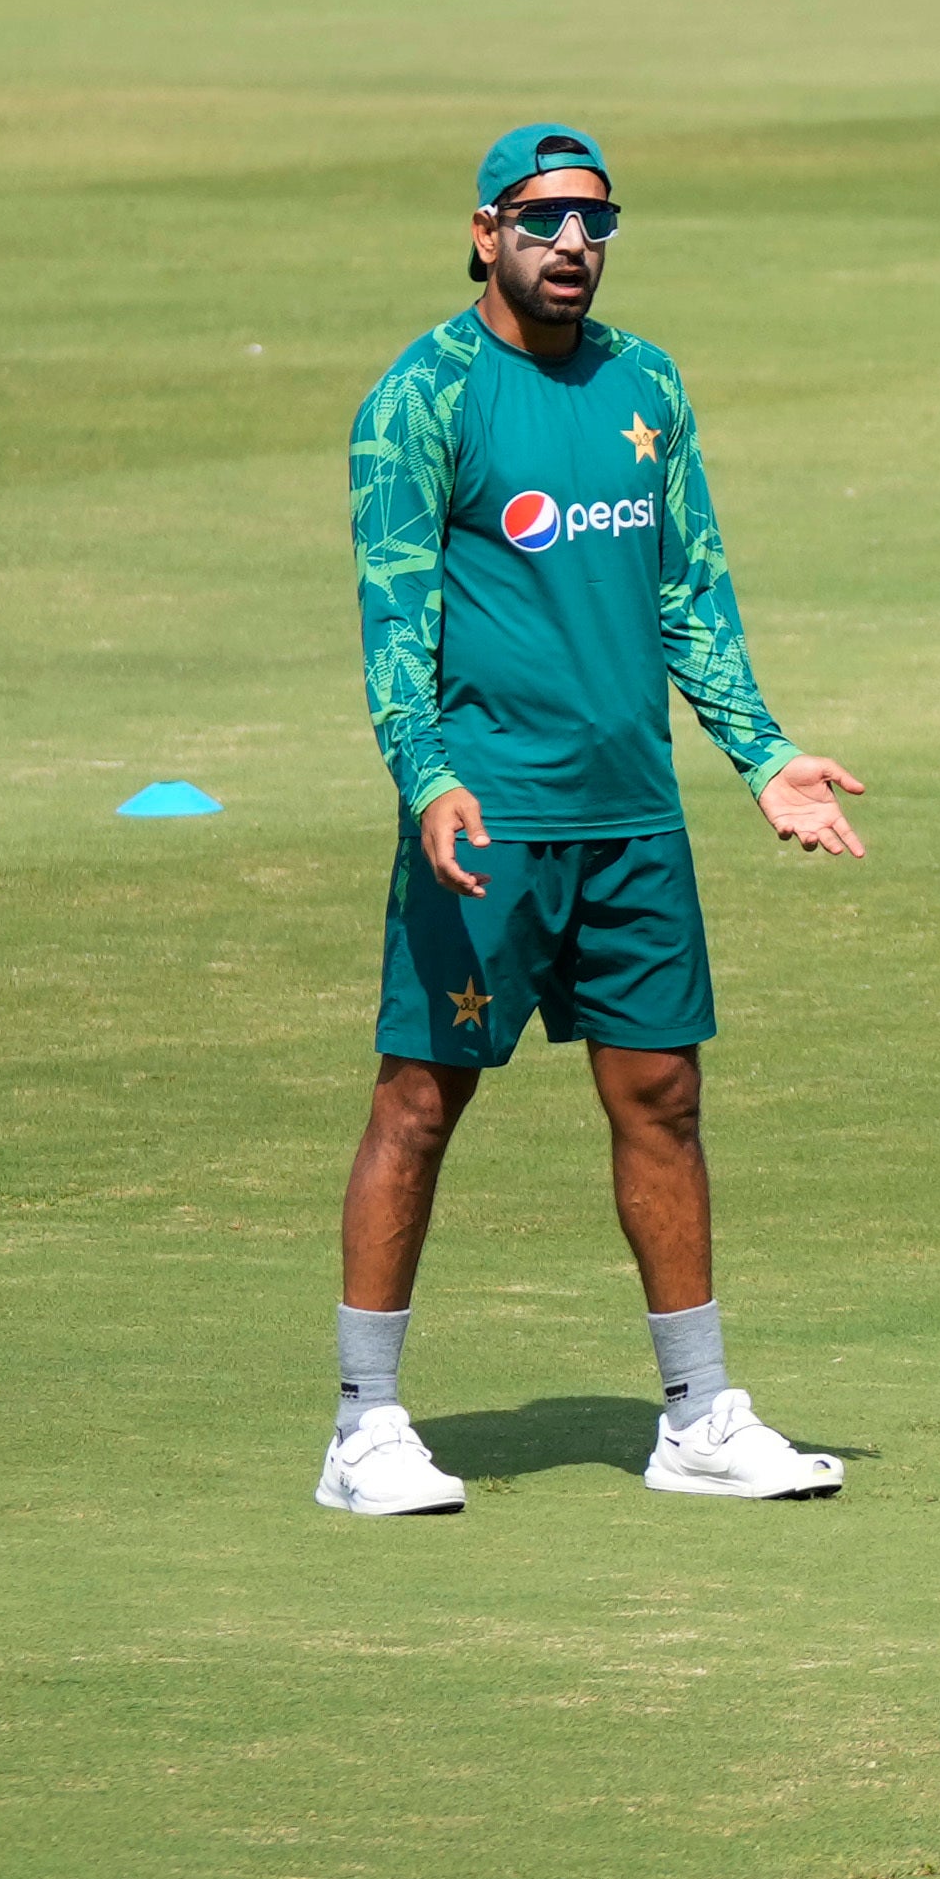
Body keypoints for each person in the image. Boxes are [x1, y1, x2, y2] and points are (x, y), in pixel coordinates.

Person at [323, 127, 871, 1520]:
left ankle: (697, 1416)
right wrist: (426, 776)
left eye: (595, 220)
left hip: (631, 818)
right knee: (421, 1099)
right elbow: (396, 616)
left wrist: (761, 757)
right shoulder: (424, 394)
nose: (572, 244)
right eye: (543, 220)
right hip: (486, 821)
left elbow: (693, 587)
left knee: (664, 1100)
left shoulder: (647, 382)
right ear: (484, 229)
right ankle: (364, 1427)